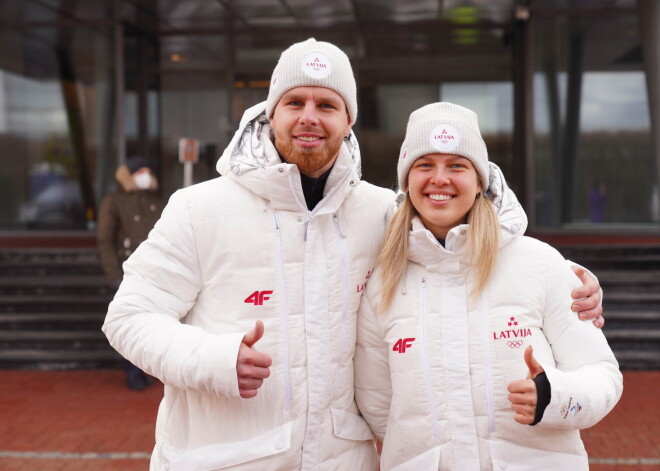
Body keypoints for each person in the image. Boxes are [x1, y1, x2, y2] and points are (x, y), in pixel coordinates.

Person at [102, 39, 604, 471]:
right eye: (294, 102)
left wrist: (571, 282)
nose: (309, 117)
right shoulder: (198, 209)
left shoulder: (382, 214)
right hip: (217, 457)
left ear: (349, 120)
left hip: (341, 460)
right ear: (269, 112)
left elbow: (465, 244)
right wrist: (214, 359)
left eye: (327, 105)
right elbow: (128, 317)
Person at [354, 103, 623, 471]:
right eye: (425, 165)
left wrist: (552, 396)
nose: (440, 179)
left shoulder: (540, 264)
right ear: (406, 180)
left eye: (457, 166)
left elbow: (602, 374)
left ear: (480, 179)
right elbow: (380, 406)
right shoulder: (384, 284)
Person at [97, 156, 163, 390]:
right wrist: (114, 274)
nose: (145, 174)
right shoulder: (114, 201)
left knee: (154, 322)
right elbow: (105, 240)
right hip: (128, 272)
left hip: (156, 273)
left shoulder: (158, 201)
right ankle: (133, 373)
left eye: (148, 170)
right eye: (139, 171)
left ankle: (148, 368)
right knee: (131, 324)